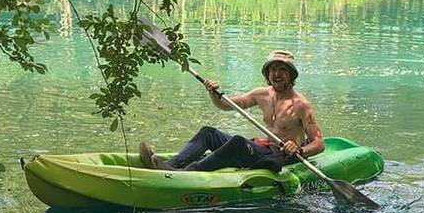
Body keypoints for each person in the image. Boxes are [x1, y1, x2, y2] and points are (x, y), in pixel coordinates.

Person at [138, 50, 325, 173]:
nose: (277, 74)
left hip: (279, 156)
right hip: (262, 147)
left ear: (291, 75)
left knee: (238, 142)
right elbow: (226, 105)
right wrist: (213, 93)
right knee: (209, 133)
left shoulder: (301, 105)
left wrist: (299, 149)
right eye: (273, 69)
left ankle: (187, 173)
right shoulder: (261, 94)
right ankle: (170, 166)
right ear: (267, 75)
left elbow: (319, 143)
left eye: (283, 70)